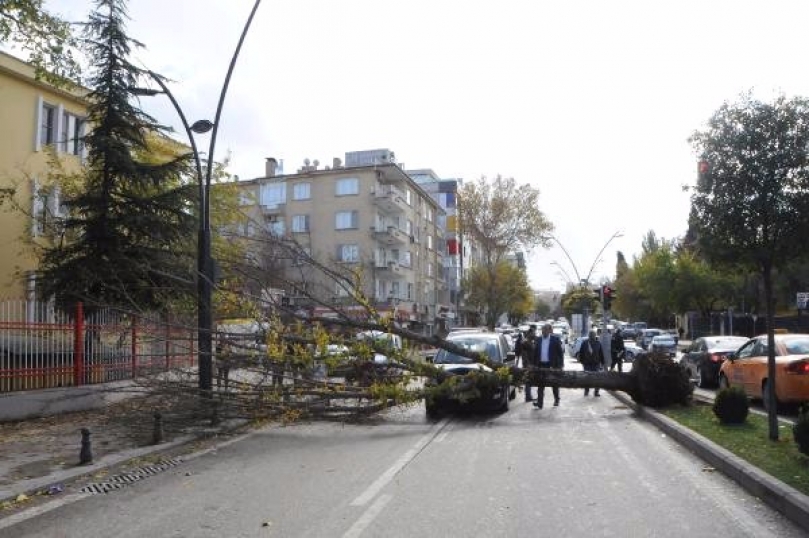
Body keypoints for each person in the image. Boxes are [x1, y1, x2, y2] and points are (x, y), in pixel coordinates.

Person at [533, 323, 565, 408]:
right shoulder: (539, 339)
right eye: (543, 330)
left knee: (554, 383)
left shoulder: (555, 339)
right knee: (540, 385)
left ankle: (557, 400)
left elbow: (560, 353)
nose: (544, 332)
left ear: (549, 331)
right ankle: (540, 403)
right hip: (541, 365)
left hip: (552, 365)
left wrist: (561, 365)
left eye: (545, 330)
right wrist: (534, 365)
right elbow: (535, 353)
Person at [579, 330, 605, 396]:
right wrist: (582, 362)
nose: (591, 336)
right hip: (587, 364)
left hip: (596, 364)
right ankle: (586, 390)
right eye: (590, 335)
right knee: (586, 378)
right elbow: (581, 353)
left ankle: (596, 392)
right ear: (589, 336)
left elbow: (601, 353)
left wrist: (602, 362)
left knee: (597, 378)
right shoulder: (585, 343)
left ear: (595, 335)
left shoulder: (598, 343)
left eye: (593, 335)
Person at [521, 325, 538, 401]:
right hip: (527, 364)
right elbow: (524, 355)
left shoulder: (532, 342)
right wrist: (528, 364)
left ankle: (529, 395)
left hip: (532, 363)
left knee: (529, 379)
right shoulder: (525, 343)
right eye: (533, 333)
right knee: (528, 380)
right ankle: (528, 396)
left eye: (534, 333)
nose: (534, 334)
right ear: (529, 334)